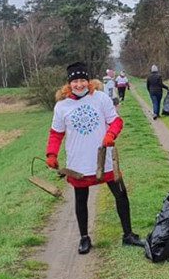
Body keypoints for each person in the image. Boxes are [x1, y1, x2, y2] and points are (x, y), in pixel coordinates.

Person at [46, 62, 145, 254]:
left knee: (121, 194)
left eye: (82, 80)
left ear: (89, 81)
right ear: (69, 83)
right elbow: (56, 134)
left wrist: (110, 135)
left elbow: (116, 121)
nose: (79, 85)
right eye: (75, 81)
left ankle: (128, 234)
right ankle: (84, 238)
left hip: (105, 160)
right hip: (78, 163)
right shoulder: (62, 106)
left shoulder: (100, 98)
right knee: (80, 199)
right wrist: (51, 154)